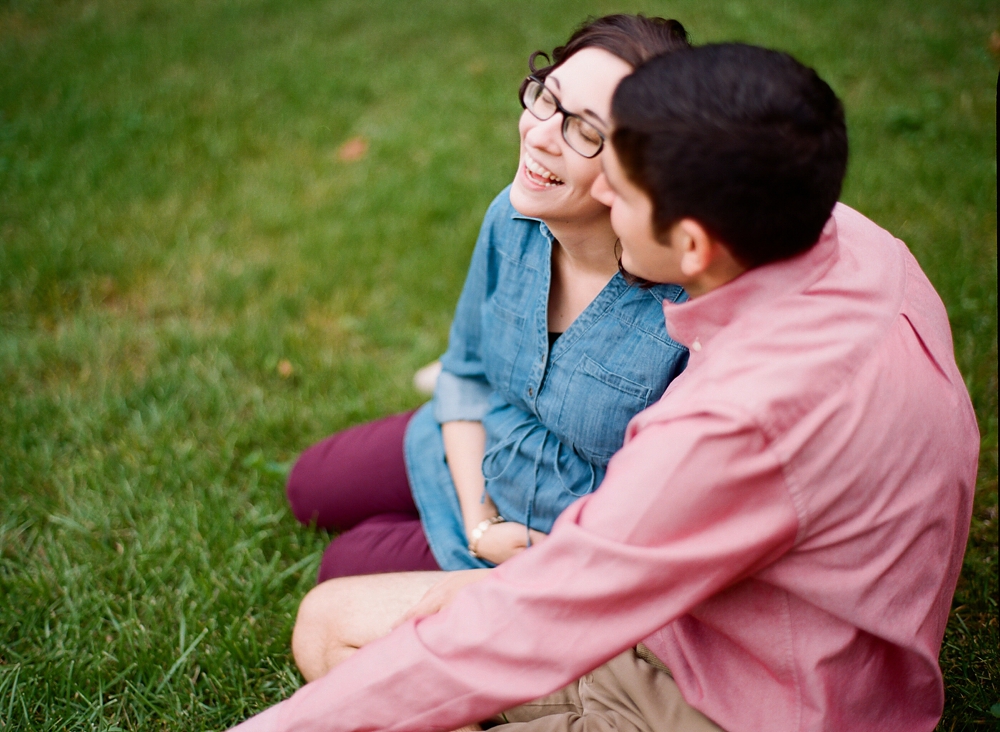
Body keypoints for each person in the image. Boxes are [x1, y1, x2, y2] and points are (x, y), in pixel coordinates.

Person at [231, 43, 979, 732]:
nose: (605, 204)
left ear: (690, 244)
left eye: (619, 191)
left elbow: (537, 623)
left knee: (338, 623)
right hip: (789, 639)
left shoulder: (729, 422)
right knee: (337, 598)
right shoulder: (862, 247)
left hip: (728, 695)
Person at [285, 15, 690, 581]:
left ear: (639, 170)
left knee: (346, 564)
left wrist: (513, 546)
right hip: (481, 442)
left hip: (546, 531)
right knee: (311, 487)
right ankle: (443, 519)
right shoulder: (514, 216)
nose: (541, 133)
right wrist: (479, 524)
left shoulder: (685, 304)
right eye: (547, 98)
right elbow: (469, 372)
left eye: (585, 131)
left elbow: (657, 514)